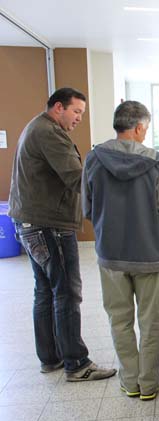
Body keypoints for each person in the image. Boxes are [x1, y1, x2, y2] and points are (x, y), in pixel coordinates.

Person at [8, 87, 116, 381]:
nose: (80, 118)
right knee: (67, 291)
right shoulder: (49, 133)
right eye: (76, 111)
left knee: (45, 290)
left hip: (30, 222)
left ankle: (51, 358)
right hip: (49, 226)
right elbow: (76, 177)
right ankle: (77, 363)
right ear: (59, 107)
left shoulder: (37, 127)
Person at [82, 100, 159, 400]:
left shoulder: (93, 158)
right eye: (145, 129)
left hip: (110, 253)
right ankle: (149, 384)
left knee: (119, 320)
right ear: (139, 127)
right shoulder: (155, 161)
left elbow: (86, 207)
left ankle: (130, 381)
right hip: (147, 253)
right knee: (150, 321)